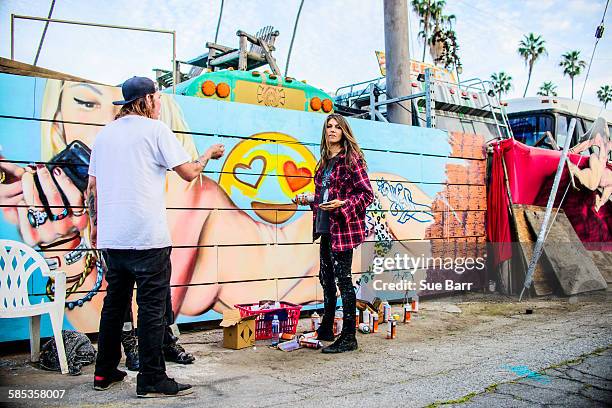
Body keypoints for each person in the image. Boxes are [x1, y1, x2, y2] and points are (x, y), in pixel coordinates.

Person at [88, 76, 224, 397]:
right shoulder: (156, 130)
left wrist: (97, 230)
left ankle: (103, 372)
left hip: (112, 238)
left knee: (114, 304)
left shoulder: (104, 135)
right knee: (151, 308)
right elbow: (189, 172)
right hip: (147, 237)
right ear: (147, 100)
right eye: (158, 98)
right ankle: (151, 377)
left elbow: (91, 188)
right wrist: (206, 155)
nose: (160, 104)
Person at [295, 113, 373, 353]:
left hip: (343, 228)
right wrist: (308, 198)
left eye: (337, 127)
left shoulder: (351, 159)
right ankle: (327, 328)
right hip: (325, 226)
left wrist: (343, 205)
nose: (332, 130)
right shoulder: (325, 161)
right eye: (328, 126)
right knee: (325, 278)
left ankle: (349, 336)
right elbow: (324, 196)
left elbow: (366, 194)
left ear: (343, 131)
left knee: (343, 280)